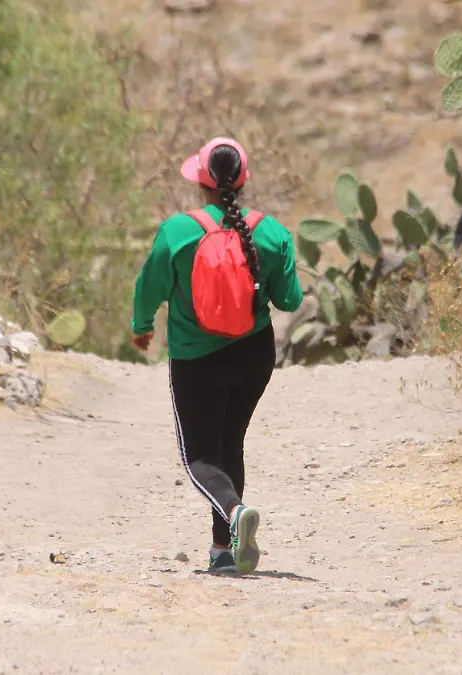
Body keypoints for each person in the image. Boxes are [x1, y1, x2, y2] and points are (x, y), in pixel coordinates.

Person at [130, 137, 303, 574]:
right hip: (254, 356)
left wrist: (142, 326)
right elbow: (289, 301)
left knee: (200, 459)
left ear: (201, 182)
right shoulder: (272, 231)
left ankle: (235, 512)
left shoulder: (177, 231)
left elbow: (148, 287)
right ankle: (224, 552)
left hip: (196, 360)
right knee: (229, 444)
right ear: (242, 181)